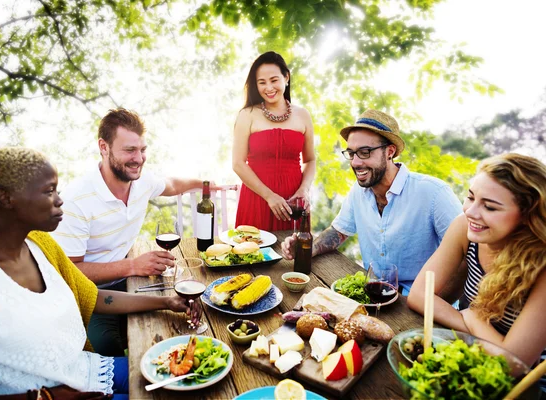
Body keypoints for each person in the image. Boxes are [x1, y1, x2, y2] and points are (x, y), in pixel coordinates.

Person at [0, 147, 195, 399]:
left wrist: (166, 302)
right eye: (48, 191)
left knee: (191, 376)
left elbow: (94, 297)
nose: (59, 200)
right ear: (6, 198)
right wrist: (46, 397)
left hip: (86, 371)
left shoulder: (41, 244)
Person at [52, 108, 210, 356]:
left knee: (188, 315)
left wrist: (206, 183)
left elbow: (172, 185)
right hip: (90, 294)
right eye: (129, 150)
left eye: (142, 150)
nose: (139, 158)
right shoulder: (76, 200)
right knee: (107, 350)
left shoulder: (142, 181)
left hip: (131, 283)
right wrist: (133, 267)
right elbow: (70, 273)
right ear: (103, 147)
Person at [281, 109, 462, 292]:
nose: (355, 163)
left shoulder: (434, 193)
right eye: (351, 153)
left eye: (365, 152)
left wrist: (429, 303)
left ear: (390, 152)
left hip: (423, 301)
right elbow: (338, 231)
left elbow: (467, 256)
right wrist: (309, 248)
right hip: (374, 293)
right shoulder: (358, 192)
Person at [407, 153, 546, 392]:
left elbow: (514, 365)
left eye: (489, 206)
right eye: (470, 197)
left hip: (526, 387)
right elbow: (420, 295)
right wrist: (467, 320)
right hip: (469, 352)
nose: (471, 211)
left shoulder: (541, 265)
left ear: (526, 216)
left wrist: (474, 318)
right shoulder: (465, 227)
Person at [232, 51, 316, 231]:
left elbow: (310, 160)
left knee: (294, 255)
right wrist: (269, 196)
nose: (268, 87)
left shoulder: (303, 115)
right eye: (262, 82)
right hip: (257, 198)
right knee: (252, 253)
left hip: (293, 202)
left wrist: (304, 190)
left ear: (286, 77)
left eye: (274, 80)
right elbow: (238, 164)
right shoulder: (247, 115)